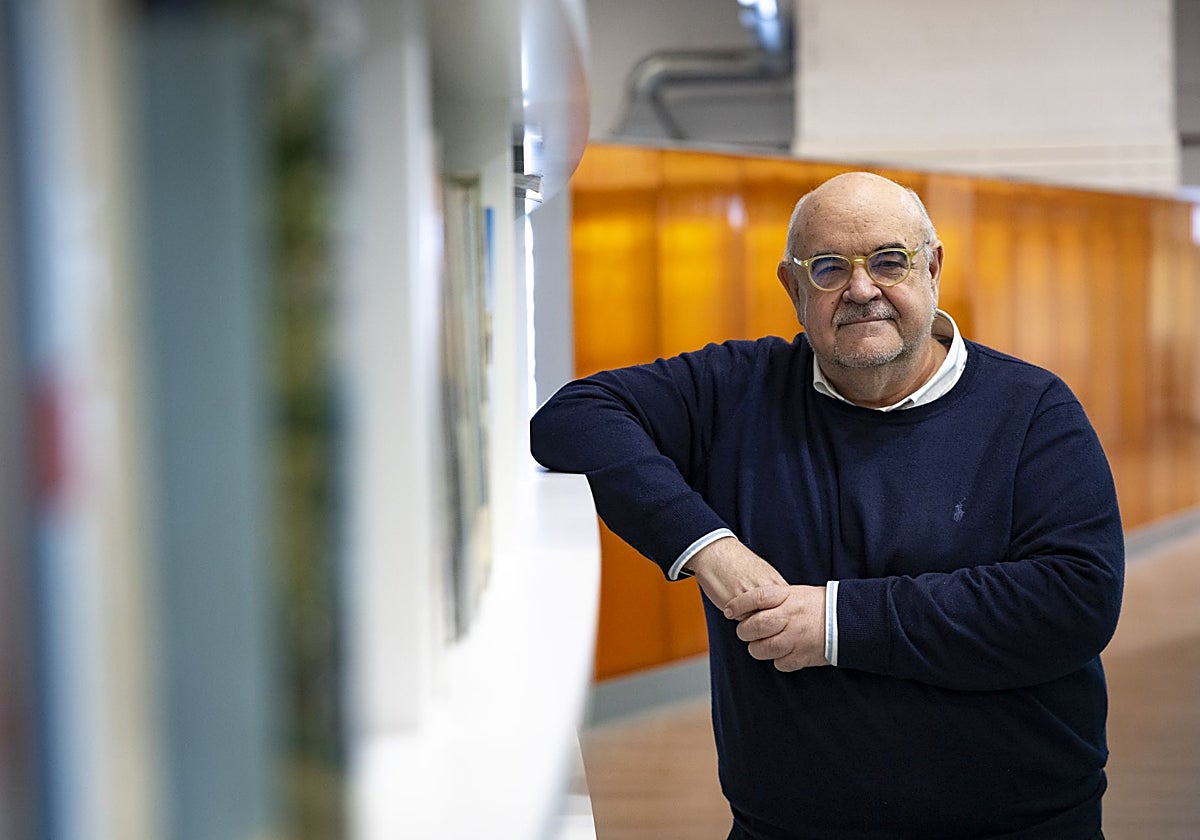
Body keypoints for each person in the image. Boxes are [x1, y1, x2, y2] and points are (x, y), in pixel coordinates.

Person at [530, 171, 1123, 839]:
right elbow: (572, 417)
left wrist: (837, 622)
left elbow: (1074, 601)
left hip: (1019, 827)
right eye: (830, 267)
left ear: (933, 267)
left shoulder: (1031, 411)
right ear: (792, 287)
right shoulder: (738, 391)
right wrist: (708, 546)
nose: (862, 289)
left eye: (889, 261)